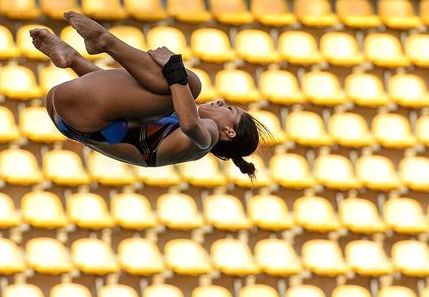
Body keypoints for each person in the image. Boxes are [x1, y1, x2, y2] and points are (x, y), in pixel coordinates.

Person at [30, 11, 270, 178]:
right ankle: (73, 55)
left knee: (191, 84)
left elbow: (189, 124)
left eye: (229, 110)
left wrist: (174, 66)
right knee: (175, 90)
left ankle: (105, 42)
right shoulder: (171, 122)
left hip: (85, 116)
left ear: (229, 132)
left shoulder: (206, 137)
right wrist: (75, 61)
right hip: (69, 116)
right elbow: (113, 95)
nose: (220, 101)